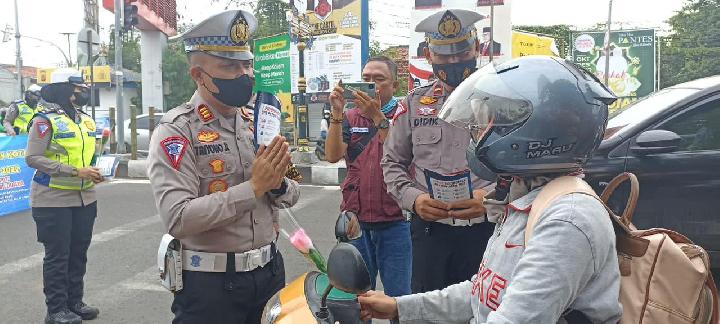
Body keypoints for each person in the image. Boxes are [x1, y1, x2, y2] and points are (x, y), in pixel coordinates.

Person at [359, 56, 622, 323]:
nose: (480, 136)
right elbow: (483, 291)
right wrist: (400, 307)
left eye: (493, 125)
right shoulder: (525, 201)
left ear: (533, 134)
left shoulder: (567, 221)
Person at [147, 10, 299, 324]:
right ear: (198, 75)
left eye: (246, 64)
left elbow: (292, 190)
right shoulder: (177, 131)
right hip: (212, 286)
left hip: (270, 272)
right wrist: (253, 188)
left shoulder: (258, 122)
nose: (243, 74)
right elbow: (178, 218)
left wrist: (278, 184)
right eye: (229, 66)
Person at [381, 9, 495, 294]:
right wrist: (414, 198)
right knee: (427, 309)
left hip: (486, 230)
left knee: (482, 308)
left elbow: (518, 166)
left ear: (477, 49)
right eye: (444, 56)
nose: (454, 61)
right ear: (429, 56)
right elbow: (392, 161)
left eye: (462, 52)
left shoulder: (501, 98)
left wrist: (491, 197)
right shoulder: (415, 105)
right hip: (431, 233)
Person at [325, 56, 412, 297]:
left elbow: (402, 153)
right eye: (366, 80)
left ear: (395, 85)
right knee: (358, 299)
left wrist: (377, 117)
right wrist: (337, 111)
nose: (372, 84)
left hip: (397, 222)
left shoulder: (405, 114)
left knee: (400, 298)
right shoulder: (350, 117)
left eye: (379, 79)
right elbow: (332, 155)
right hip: (356, 223)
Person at [25, 68, 103, 324]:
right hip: (52, 199)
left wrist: (96, 170)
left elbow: (88, 154)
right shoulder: (44, 121)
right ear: (64, 90)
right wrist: (74, 171)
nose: (81, 94)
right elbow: (32, 158)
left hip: (84, 198)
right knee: (58, 256)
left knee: (79, 253)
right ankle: (56, 309)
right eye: (77, 90)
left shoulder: (84, 120)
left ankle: (74, 303)